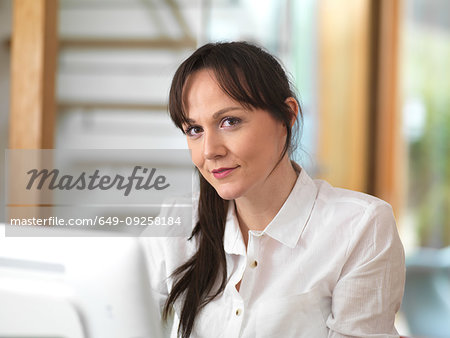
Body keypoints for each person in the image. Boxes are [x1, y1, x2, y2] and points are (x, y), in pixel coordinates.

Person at [141, 41, 405, 338]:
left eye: (229, 122)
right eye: (194, 130)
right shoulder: (179, 221)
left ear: (286, 117)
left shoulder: (361, 227)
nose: (209, 151)